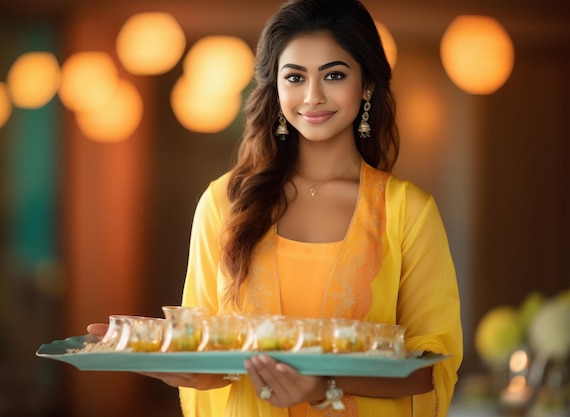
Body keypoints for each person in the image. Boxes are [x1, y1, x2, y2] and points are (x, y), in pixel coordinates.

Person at [89, 0, 462, 415]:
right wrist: (179, 363)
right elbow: (210, 349)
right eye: (295, 77)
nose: (313, 96)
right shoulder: (225, 202)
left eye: (334, 75)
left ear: (368, 85)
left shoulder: (407, 211)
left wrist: (322, 386)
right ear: (276, 88)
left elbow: (429, 367)